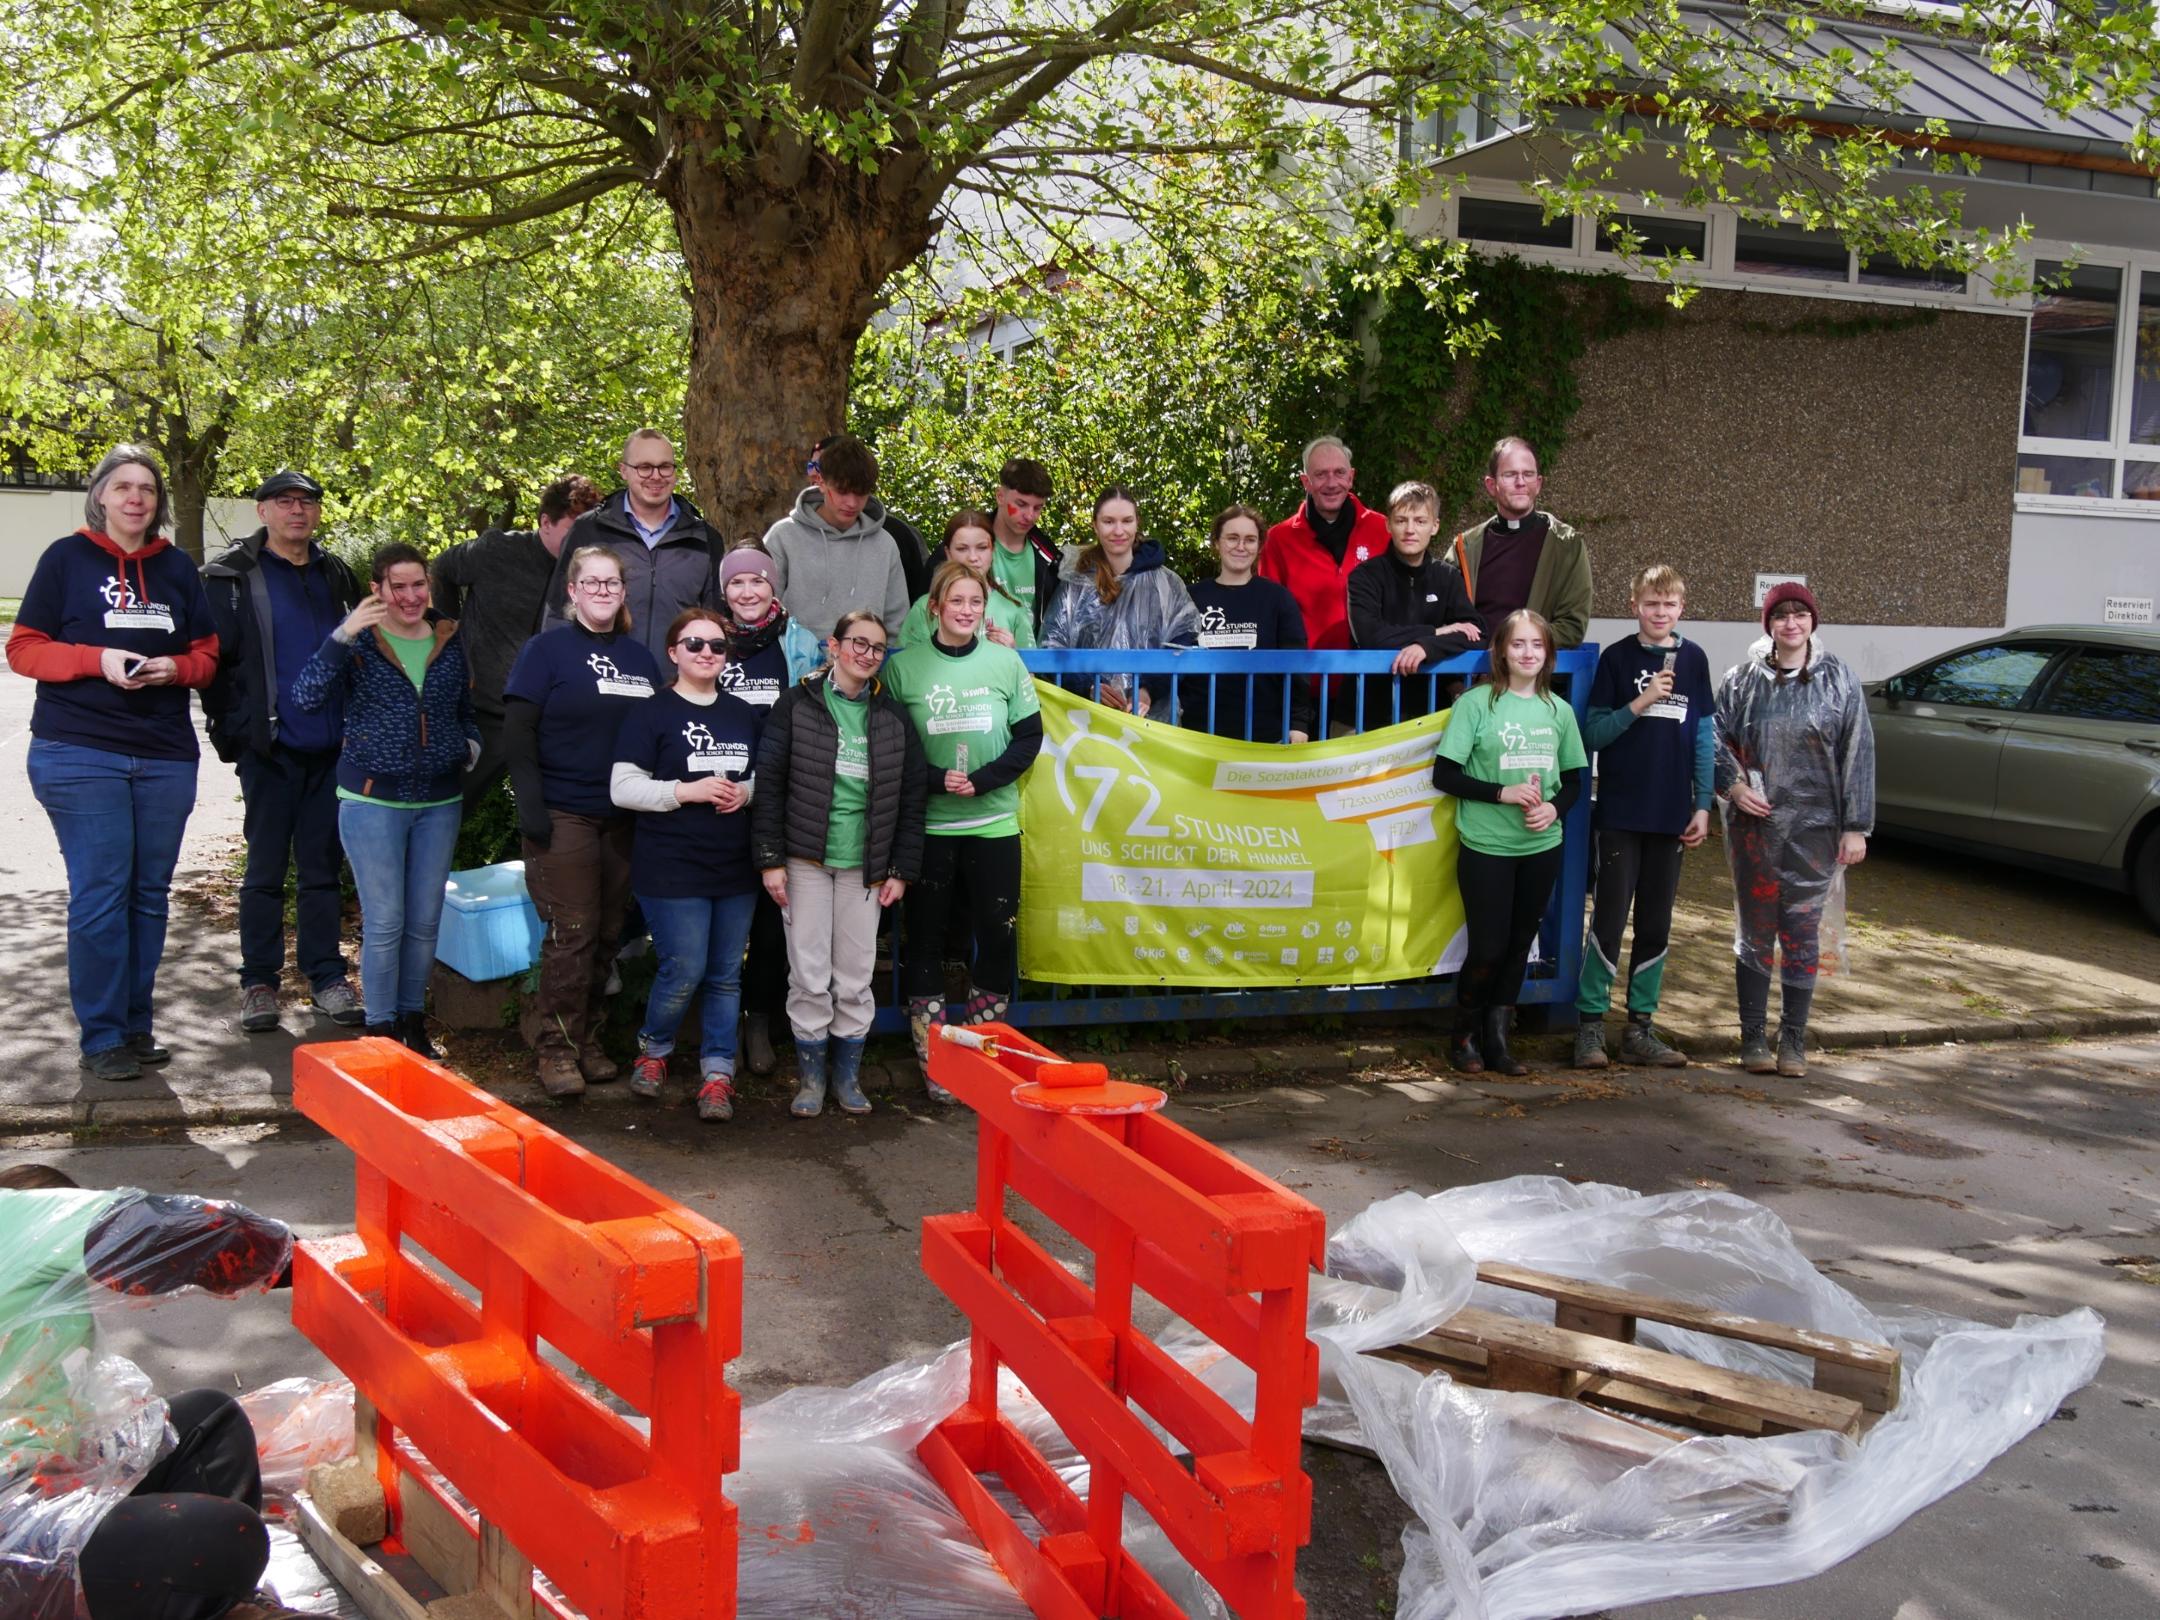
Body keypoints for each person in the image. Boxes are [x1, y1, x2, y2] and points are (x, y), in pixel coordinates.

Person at [0, 1163, 302, 1620]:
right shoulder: (20, 1216)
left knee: (208, 1419)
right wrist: (302, 1258)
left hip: (34, 1484)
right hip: (13, 1536)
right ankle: (205, 1600)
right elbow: (170, 1232)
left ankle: (217, 1605)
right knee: (220, 1535)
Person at [7, 447, 220, 1082]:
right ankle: (101, 1037)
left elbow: (208, 656)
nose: (136, 498)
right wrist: (94, 659)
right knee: (102, 896)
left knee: (149, 897)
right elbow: (23, 649)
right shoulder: (65, 559)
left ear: (156, 503)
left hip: (163, 755)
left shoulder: (178, 568)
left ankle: (135, 1025)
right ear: (100, 496)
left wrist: (173, 668)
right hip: (79, 751)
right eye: (123, 487)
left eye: (147, 490)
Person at [290, 542, 479, 1055]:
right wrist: (343, 633)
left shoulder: (448, 638)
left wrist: (470, 744)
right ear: (378, 589)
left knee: (424, 922)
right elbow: (305, 697)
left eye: (420, 584)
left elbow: (464, 708)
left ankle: (412, 1024)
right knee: (386, 921)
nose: (412, 595)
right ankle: (380, 1028)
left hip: (439, 802)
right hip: (372, 802)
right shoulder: (360, 643)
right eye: (399, 586)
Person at [202, 469, 367, 1036]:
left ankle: (326, 978)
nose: (298, 511)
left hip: (331, 747)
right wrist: (233, 731)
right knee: (266, 869)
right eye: (285, 502)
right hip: (269, 748)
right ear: (263, 511)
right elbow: (215, 663)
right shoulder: (231, 576)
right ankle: (259, 984)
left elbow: (358, 652)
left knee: (322, 869)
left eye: (307, 503)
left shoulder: (337, 573)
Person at [752, 611, 928, 1118]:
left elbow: (912, 799)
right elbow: (770, 785)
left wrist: (901, 868)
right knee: (808, 972)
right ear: (834, 646)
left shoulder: (893, 718)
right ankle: (810, 1079)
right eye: (858, 643)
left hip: (865, 866)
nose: (867, 655)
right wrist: (770, 860)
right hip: (805, 858)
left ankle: (847, 1078)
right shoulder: (796, 705)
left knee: (854, 975)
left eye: (877, 647)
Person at [500, 545, 661, 1097]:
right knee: (572, 933)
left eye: (611, 584)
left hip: (624, 817)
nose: (601, 592)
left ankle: (587, 1040)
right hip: (564, 813)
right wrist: (531, 806)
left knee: (608, 935)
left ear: (623, 592)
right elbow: (517, 732)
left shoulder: (641, 660)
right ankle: (555, 1050)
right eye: (590, 584)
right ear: (572, 592)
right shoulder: (545, 651)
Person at [886, 561, 1044, 1100]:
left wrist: (982, 780)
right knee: (926, 940)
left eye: (976, 602)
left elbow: (1029, 738)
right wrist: (934, 779)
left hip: (994, 821)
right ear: (935, 607)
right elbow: (893, 748)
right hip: (929, 827)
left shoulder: (1006, 662)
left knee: (996, 937)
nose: (967, 611)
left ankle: (983, 1050)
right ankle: (935, 1060)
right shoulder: (904, 668)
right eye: (957, 602)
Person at [1714, 583, 1875, 1079]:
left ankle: (1794, 1041)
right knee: (1757, 930)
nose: (1790, 623)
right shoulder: (1741, 681)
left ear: (1812, 622)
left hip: (1817, 830)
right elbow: (1713, 737)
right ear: (1768, 624)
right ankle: (1753, 1038)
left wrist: (1856, 827)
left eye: (1799, 615)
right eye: (1780, 615)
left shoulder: (1839, 680)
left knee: (1802, 932)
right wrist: (1734, 787)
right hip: (1754, 829)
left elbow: (1858, 753)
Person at [610, 608, 764, 1122]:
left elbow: (762, 777)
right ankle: (653, 1051)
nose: (706, 653)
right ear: (673, 652)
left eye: (717, 646)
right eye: (695, 644)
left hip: (734, 866)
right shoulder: (651, 712)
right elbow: (623, 788)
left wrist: (744, 791)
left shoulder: (742, 713)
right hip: (671, 866)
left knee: (724, 976)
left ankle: (718, 1075)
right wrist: (685, 791)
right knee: (684, 970)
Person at [1431, 610, 1588, 1077]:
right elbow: (1445, 774)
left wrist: (1553, 808)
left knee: (1521, 944)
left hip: (1541, 846)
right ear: (1501, 650)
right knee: (1488, 948)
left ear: (1548, 654)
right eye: (1518, 644)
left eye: (1536, 646)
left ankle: (1499, 1042)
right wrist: (1502, 793)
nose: (1527, 653)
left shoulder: (1559, 710)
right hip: (1487, 845)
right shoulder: (1477, 704)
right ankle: (1463, 1036)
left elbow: (1577, 781)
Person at [1573, 564, 1715, 1070]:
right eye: (1651, 604)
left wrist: (1703, 805)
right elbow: (1592, 735)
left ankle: (1640, 1030)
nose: (1660, 612)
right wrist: (1643, 699)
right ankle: (1589, 1026)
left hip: (1672, 815)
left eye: (1669, 604)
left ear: (1681, 607)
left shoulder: (1695, 660)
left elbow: (1702, 738)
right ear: (1635, 605)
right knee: (1609, 920)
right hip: (1620, 813)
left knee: (1656, 924)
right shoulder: (1616, 659)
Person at [431, 473, 603, 815]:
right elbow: (442, 568)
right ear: (545, 522)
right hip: (486, 713)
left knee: (558, 817)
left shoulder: (592, 575)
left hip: (549, 722)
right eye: (571, 535)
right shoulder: (497, 550)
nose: (578, 548)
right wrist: (448, 634)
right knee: (444, 808)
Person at [539, 430, 725, 664]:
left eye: (665, 467)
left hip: (677, 687)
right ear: (624, 470)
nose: (656, 476)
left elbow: (716, 623)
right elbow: (558, 611)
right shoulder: (589, 530)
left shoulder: (704, 538)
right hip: (603, 679)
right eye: (644, 467)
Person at [716, 545, 792, 1075]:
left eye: (757, 582)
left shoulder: (800, 643)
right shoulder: (705, 640)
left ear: (773, 588)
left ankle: (760, 1019)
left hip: (783, 800)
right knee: (723, 921)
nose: (747, 592)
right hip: (717, 803)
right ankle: (717, 1027)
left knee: (772, 923)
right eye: (737, 583)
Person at [1038, 485, 1199, 717]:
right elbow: (1052, 646)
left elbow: (1182, 642)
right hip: (1088, 717)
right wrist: (1088, 685)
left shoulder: (1166, 583)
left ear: (1137, 523)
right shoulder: (1076, 584)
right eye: (1109, 521)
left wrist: (1147, 689)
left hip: (1149, 718)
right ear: (1095, 525)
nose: (1118, 530)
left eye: (1126, 521)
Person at [1346, 480, 1485, 726]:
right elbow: (1370, 636)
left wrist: (1426, 647)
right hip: (1364, 715)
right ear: (1388, 525)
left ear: (1434, 526)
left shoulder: (1448, 576)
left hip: (1430, 716)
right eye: (1401, 520)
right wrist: (1436, 631)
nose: (1410, 529)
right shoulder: (1364, 576)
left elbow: (1476, 634)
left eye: (1420, 521)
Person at [1180, 503, 1313, 745]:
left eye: (1250, 540)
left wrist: (1298, 723)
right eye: (1232, 538)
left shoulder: (1278, 598)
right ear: (1216, 542)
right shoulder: (1190, 597)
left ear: (1260, 546)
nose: (1241, 546)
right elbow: (1174, 656)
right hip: (1199, 736)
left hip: (1265, 735)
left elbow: (1297, 665)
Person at [1447, 436, 1593, 650]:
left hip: (1536, 677)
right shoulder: (1465, 548)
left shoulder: (1566, 545)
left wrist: (1510, 646)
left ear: (1539, 483)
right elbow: (1445, 617)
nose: (1521, 482)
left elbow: (1572, 627)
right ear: (1491, 485)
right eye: (1510, 474)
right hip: (1474, 674)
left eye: (1528, 474)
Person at [762, 432, 910, 642]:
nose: (851, 503)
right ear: (821, 482)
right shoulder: (783, 536)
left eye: (860, 493)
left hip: (864, 667)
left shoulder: (885, 544)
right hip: (793, 666)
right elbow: (762, 609)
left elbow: (897, 619)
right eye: (842, 491)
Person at [1259, 435, 1392, 659]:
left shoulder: (1384, 530)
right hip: (1304, 680)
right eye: (1320, 474)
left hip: (1373, 677)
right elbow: (1268, 613)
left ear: (1351, 477)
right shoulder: (1278, 540)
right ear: (1305, 481)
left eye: (1339, 473)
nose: (1331, 483)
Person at [807, 434, 930, 601]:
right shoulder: (785, 536)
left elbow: (913, 607)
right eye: (811, 466)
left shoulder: (895, 537)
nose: (814, 473)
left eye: (820, 466)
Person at [906, 510, 1035, 651]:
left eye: (982, 548)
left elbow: (1033, 670)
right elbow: (904, 665)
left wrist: (1014, 654)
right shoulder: (924, 608)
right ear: (948, 553)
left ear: (993, 551)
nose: (973, 557)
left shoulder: (1013, 609)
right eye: (962, 549)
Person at [985, 456, 1061, 634]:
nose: (1030, 516)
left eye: (1038, 508)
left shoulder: (1050, 557)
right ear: (1000, 496)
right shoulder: (963, 546)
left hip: (1031, 660)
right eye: (1021, 504)